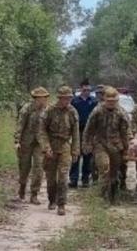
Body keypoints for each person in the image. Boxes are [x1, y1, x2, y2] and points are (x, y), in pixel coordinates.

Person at [82, 86, 131, 204]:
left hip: (116, 146)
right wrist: (86, 144)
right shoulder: (97, 111)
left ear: (117, 101)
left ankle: (114, 196)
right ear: (104, 99)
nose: (111, 103)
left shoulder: (121, 112)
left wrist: (126, 149)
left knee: (114, 173)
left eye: (113, 101)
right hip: (100, 144)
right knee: (104, 168)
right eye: (109, 101)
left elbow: (125, 132)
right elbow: (89, 129)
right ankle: (104, 197)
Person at [39, 86, 80, 216]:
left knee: (63, 177)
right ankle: (52, 200)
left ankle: (61, 204)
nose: (67, 101)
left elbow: (76, 132)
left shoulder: (72, 111)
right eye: (64, 98)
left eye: (69, 98)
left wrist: (75, 150)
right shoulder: (49, 110)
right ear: (59, 98)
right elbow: (42, 131)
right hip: (51, 145)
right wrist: (46, 147)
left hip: (65, 146)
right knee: (51, 178)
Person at [13, 86, 49, 204]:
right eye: (40, 98)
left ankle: (34, 194)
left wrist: (49, 145)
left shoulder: (48, 110)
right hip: (26, 142)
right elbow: (20, 125)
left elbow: (50, 127)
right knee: (24, 167)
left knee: (39, 168)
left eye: (44, 98)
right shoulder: (26, 109)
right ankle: (22, 188)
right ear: (35, 98)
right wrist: (17, 141)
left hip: (40, 143)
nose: (42, 100)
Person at [69, 80, 97, 187]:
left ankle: (85, 179)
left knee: (87, 156)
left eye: (89, 90)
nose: (87, 92)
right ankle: (73, 179)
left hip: (89, 132)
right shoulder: (74, 101)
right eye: (85, 90)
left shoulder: (94, 101)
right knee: (76, 155)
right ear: (80, 89)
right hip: (77, 132)